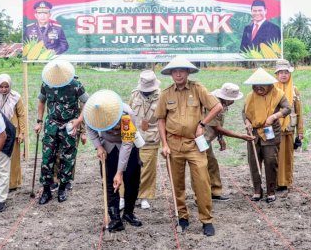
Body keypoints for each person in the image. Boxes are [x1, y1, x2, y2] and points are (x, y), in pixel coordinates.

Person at [154, 55, 223, 237]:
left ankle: (206, 220)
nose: (178, 74)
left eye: (181, 71)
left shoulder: (198, 88)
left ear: (187, 72)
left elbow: (217, 107)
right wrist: (164, 144)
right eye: (175, 71)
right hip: (174, 144)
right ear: (171, 74)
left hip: (194, 144)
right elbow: (160, 120)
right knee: (177, 184)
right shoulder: (165, 94)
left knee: (202, 181)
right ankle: (182, 217)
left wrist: (202, 124)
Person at [84, 90, 142, 232]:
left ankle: (128, 213)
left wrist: (120, 171)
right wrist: (98, 146)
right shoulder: (92, 112)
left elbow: (127, 144)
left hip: (128, 145)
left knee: (132, 181)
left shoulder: (126, 113)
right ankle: (115, 218)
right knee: (109, 182)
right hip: (108, 146)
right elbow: (90, 128)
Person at [35, 60, 88, 204]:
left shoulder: (76, 85)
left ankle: (63, 188)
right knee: (47, 157)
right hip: (51, 125)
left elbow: (86, 103)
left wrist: (79, 120)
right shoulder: (47, 84)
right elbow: (41, 101)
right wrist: (39, 121)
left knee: (68, 157)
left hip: (69, 125)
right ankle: (46, 190)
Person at [242, 68, 290, 203]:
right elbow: (244, 112)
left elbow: (287, 108)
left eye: (262, 86)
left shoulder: (278, 94)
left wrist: (274, 116)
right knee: (254, 162)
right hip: (254, 134)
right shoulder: (250, 96)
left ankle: (270, 191)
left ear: (269, 85)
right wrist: (247, 122)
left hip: (270, 133)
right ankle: (257, 190)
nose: (259, 89)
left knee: (270, 161)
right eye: (256, 86)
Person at [206, 82, 252, 201]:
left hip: (206, 139)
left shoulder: (222, 104)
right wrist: (241, 136)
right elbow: (217, 127)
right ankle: (205, 195)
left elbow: (218, 124)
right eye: (233, 99)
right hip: (201, 139)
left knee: (212, 164)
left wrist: (221, 138)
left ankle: (214, 192)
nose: (233, 102)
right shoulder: (213, 104)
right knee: (204, 167)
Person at [0, 74, 26, 193]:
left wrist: (22, 132)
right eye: (1, 87)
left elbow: (21, 115)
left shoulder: (16, 97)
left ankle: (12, 183)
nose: (4, 89)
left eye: (6, 87)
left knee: (13, 158)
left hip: (12, 131)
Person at [128, 70, 160, 210]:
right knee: (128, 166)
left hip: (151, 137)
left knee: (147, 168)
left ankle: (143, 196)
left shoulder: (161, 97)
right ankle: (124, 195)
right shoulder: (134, 94)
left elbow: (164, 119)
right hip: (134, 136)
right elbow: (127, 115)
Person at [273, 59, 304, 191]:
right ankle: (275, 181)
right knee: (275, 156)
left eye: (286, 72)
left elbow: (299, 111)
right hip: (275, 129)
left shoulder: (295, 90)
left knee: (287, 157)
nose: (284, 75)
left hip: (289, 130)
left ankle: (285, 182)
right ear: (276, 74)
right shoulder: (272, 89)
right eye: (281, 72)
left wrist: (300, 131)